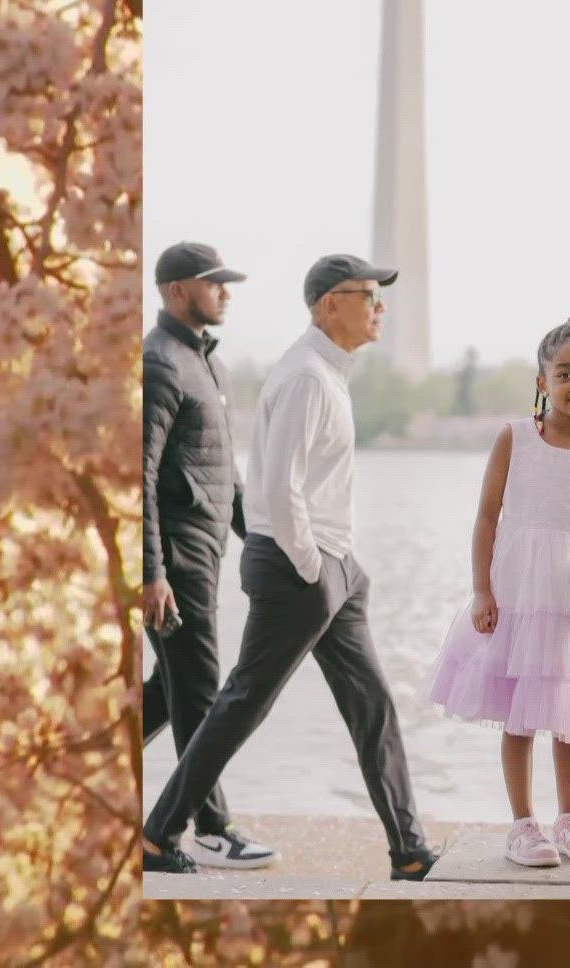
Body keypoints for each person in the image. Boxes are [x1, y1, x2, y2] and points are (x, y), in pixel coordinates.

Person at [141, 253, 441, 881]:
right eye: (368, 295)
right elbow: (279, 487)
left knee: (373, 706)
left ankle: (408, 849)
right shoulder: (306, 375)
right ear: (331, 303)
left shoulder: (328, 373)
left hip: (333, 565)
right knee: (244, 701)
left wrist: (338, 565)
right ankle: (160, 833)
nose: (380, 306)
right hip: (302, 568)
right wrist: (310, 565)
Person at [426, 319, 570, 867]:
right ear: (543, 381)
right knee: (519, 711)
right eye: (564, 373)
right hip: (518, 596)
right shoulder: (515, 437)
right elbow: (487, 518)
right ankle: (523, 824)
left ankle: (569, 817)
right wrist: (481, 592)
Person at [140, 241, 278, 868]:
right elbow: (136, 475)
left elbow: (227, 477)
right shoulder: (159, 363)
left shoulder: (210, 366)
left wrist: (267, 540)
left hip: (206, 550)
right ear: (176, 291)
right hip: (175, 557)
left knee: (169, 694)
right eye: (212, 282)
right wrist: (152, 574)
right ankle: (211, 825)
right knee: (198, 691)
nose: (225, 291)